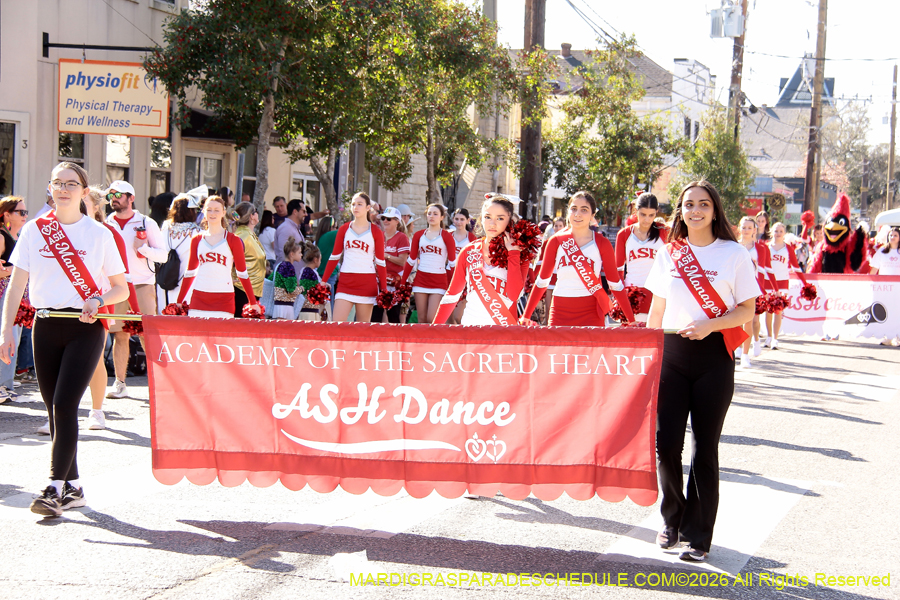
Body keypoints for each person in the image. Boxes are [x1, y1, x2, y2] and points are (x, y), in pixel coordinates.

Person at [0, 162, 129, 517]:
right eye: (57, 182)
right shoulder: (34, 230)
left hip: (85, 327)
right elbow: (17, 285)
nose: (63, 189)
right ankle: (74, 487)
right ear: (50, 187)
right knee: (54, 409)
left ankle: (54, 488)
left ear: (84, 192)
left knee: (65, 404)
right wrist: (5, 331)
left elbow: (120, 287)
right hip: (45, 325)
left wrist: (98, 299)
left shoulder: (99, 235)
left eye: (71, 184)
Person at [645, 180, 758, 562]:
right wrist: (649, 355)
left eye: (704, 204)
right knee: (666, 446)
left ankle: (699, 536)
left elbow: (748, 309)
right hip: (671, 356)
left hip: (714, 357)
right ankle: (671, 520)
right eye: (689, 204)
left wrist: (712, 324)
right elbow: (656, 312)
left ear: (715, 209)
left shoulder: (734, 254)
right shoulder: (668, 253)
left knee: (704, 449)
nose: (696, 210)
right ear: (680, 211)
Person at [76, 187, 142, 430]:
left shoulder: (108, 233)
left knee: (93, 358)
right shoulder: (61, 231)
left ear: (96, 206)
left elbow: (122, 277)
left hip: (99, 301)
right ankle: (58, 414)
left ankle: (96, 411)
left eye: (84, 202)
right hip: (67, 302)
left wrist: (133, 308)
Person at [522, 191, 634, 326]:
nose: (577, 214)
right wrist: (526, 316)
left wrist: (631, 319)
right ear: (568, 211)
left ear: (593, 215)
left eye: (584, 210)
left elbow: (615, 284)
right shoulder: (555, 241)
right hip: (560, 311)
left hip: (591, 311)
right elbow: (542, 282)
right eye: (574, 209)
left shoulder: (602, 243)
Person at [104, 180, 167, 400]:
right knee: (119, 336)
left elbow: (164, 255)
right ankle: (120, 383)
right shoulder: (107, 223)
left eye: (119, 194)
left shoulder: (146, 222)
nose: (114, 197)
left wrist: (144, 250)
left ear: (131, 198)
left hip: (142, 284)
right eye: (111, 194)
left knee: (147, 335)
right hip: (117, 287)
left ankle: (158, 384)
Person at [433, 195, 527, 325]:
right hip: (471, 330)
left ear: (510, 221)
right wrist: (434, 328)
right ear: (481, 218)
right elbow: (452, 295)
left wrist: (513, 253)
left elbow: (514, 295)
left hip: (504, 332)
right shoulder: (468, 251)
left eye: (500, 218)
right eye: (487, 217)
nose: (492, 223)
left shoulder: (520, 253)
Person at [176, 196, 261, 318]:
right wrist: (179, 301)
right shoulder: (197, 240)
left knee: (221, 336)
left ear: (223, 212)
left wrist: (253, 302)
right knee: (198, 336)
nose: (212, 213)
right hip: (199, 298)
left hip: (224, 299)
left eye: (217, 210)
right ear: (204, 212)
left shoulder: (234, 240)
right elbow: (190, 273)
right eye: (209, 209)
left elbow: (242, 274)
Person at [322, 192, 388, 322]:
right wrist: (323, 281)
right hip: (346, 281)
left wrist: (384, 289)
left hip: (367, 283)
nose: (355, 207)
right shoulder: (344, 229)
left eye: (359, 204)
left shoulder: (376, 232)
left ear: (368, 208)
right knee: (337, 324)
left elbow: (380, 262)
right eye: (353, 204)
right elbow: (334, 256)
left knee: (362, 330)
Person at [615, 192, 668, 321]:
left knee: (653, 338)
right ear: (636, 211)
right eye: (643, 214)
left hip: (657, 294)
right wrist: (620, 298)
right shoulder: (624, 234)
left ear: (656, 213)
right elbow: (618, 271)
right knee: (630, 338)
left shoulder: (664, 231)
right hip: (632, 294)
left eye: (651, 215)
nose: (647, 219)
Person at [401, 203, 456, 324]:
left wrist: (454, 285)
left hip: (439, 280)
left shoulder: (447, 236)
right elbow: (411, 260)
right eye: (429, 213)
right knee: (422, 319)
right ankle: (422, 343)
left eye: (435, 214)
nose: (431, 216)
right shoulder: (419, 235)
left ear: (442, 217)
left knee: (432, 319)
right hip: (421, 280)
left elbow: (452, 263)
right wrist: (403, 281)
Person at [735, 216, 777, 368]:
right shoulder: (733, 246)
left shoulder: (761, 248)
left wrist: (772, 290)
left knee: (750, 320)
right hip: (734, 288)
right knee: (735, 321)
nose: (746, 230)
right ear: (740, 228)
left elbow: (765, 270)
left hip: (752, 288)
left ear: (755, 230)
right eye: (743, 227)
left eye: (749, 228)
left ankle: (746, 354)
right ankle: (738, 348)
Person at [765, 222, 808, 350]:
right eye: (776, 231)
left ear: (784, 234)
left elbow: (796, 267)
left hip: (782, 282)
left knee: (778, 310)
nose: (778, 234)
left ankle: (775, 339)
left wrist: (804, 283)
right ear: (771, 232)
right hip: (768, 282)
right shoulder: (767, 247)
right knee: (768, 310)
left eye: (781, 231)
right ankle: (768, 337)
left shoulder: (788, 248)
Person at [0, 196, 27, 400]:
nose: (25, 215)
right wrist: (16, 270)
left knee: (14, 340)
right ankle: (2, 386)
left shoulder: (15, 236)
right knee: (7, 339)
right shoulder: (1, 236)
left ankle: (6, 385)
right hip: (4, 294)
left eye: (25, 212)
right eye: (20, 212)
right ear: (6, 214)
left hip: (16, 296)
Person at [156, 194, 201, 312]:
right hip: (188, 281)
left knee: (166, 314)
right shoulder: (198, 232)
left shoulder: (164, 230)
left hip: (166, 279)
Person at [372, 206, 410, 324]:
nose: (385, 221)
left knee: (394, 317)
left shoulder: (401, 237)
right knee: (375, 317)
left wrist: (385, 256)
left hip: (395, 282)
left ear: (397, 221)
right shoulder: (379, 235)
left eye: (389, 219)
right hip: (379, 281)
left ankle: (397, 341)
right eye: (383, 218)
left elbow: (402, 261)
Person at [231, 202, 267, 318]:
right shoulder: (242, 235)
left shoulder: (249, 234)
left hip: (252, 290)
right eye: (256, 212)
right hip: (242, 290)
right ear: (252, 216)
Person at [870, 227, 900, 346]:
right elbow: (874, 270)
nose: (892, 237)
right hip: (885, 288)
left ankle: (897, 337)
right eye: (891, 235)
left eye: (895, 235)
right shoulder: (882, 252)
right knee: (887, 312)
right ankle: (887, 337)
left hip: (898, 288)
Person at [448, 208, 476, 324]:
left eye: (462, 219)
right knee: (448, 317)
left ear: (468, 220)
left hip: (464, 278)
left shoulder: (472, 238)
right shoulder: (448, 235)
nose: (459, 222)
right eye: (456, 219)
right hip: (448, 275)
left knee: (458, 316)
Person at [271, 238, 304, 320]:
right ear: (292, 254)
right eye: (299, 252)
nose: (301, 255)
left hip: (279, 306)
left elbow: (271, 278)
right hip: (285, 307)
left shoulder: (280, 265)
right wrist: (301, 289)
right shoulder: (289, 267)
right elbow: (291, 289)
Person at [296, 242, 327, 321]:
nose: (320, 262)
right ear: (315, 260)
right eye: (320, 259)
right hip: (309, 312)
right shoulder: (309, 273)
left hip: (310, 310)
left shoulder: (307, 271)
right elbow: (313, 292)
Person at [274, 199, 306, 267]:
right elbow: (284, 255)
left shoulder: (294, 228)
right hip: (288, 275)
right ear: (295, 212)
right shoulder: (286, 228)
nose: (305, 214)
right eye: (303, 211)